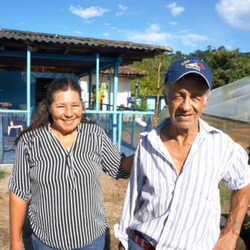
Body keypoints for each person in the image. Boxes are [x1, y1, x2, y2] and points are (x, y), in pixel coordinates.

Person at [114, 57, 250, 250]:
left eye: (195, 96)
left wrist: (231, 233)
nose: (186, 106)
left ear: (206, 101)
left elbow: (244, 182)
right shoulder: (147, 144)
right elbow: (134, 199)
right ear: (166, 96)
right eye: (179, 95)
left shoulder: (221, 146)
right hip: (141, 244)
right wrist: (124, 241)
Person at [9, 78, 133, 250]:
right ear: (49, 107)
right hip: (47, 242)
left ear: (81, 106)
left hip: (91, 239)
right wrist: (16, 240)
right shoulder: (30, 142)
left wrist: (145, 152)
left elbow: (118, 168)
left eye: (75, 105)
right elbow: (18, 192)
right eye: (61, 106)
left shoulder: (94, 135)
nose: (69, 113)